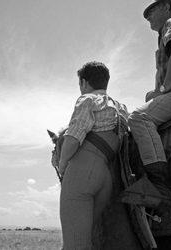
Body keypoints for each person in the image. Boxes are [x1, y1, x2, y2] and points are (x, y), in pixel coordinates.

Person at [126, 0, 171, 207]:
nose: (148, 19)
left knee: (138, 117)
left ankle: (159, 187)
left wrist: (163, 89)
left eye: (151, 12)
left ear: (166, 6)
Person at [59, 61, 125, 250]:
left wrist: (63, 164)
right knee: (90, 239)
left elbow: (73, 137)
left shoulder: (87, 99)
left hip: (83, 172)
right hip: (106, 177)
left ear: (84, 82)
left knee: (76, 245)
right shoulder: (120, 108)